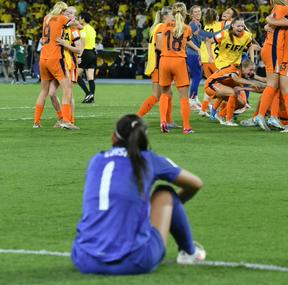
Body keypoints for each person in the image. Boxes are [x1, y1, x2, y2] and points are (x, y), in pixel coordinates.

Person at [71, 114, 206, 275]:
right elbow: (196, 183)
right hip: (135, 261)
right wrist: (167, 210)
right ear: (144, 138)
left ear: (113, 137)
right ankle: (189, 252)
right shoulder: (149, 159)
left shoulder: (97, 160)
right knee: (165, 192)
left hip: (84, 260)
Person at [255, 0, 288, 132]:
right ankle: (280, 118)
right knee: (281, 89)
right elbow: (269, 26)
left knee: (286, 90)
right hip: (285, 57)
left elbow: (271, 23)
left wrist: (269, 18)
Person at [156, 2, 200, 134]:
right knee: (184, 97)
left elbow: (159, 45)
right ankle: (187, 127)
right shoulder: (187, 28)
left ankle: (163, 121)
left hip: (164, 60)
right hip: (179, 61)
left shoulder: (163, 26)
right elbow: (187, 40)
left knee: (164, 93)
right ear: (185, 12)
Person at [33, 1, 76, 129]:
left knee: (44, 91)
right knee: (67, 89)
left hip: (43, 58)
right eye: (66, 11)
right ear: (62, 11)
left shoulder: (46, 18)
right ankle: (66, 121)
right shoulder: (62, 18)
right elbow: (74, 24)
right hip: (55, 57)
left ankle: (36, 122)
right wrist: (78, 22)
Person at [137, 6, 177, 127]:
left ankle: (167, 121)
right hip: (160, 64)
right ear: (165, 16)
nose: (174, 17)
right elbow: (159, 46)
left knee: (163, 94)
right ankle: (164, 121)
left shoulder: (158, 26)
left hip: (158, 64)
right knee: (162, 94)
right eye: (172, 15)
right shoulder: (161, 27)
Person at [204, 60, 265, 126]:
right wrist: (252, 82)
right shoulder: (235, 69)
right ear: (243, 68)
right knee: (232, 92)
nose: (252, 72)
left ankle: (220, 115)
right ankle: (228, 120)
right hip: (211, 84)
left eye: (253, 70)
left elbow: (262, 83)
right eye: (250, 70)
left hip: (221, 86)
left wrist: (267, 83)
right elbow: (236, 79)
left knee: (242, 104)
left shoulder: (245, 73)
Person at [187, 5, 215, 110]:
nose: (198, 13)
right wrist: (198, 50)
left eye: (199, 11)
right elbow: (188, 40)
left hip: (194, 53)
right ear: (191, 14)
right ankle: (191, 100)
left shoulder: (197, 24)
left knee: (197, 77)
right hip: (192, 53)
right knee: (196, 77)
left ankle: (195, 98)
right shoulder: (192, 25)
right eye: (195, 12)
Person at [78, 12, 97, 103]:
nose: (79, 19)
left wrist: (79, 56)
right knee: (90, 78)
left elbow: (82, 43)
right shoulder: (92, 29)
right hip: (93, 53)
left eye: (80, 18)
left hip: (85, 53)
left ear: (83, 19)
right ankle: (91, 98)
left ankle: (88, 93)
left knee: (75, 75)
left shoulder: (83, 29)